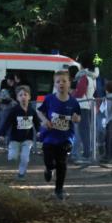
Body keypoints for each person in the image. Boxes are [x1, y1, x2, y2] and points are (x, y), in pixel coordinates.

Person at [37, 69, 82, 200]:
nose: (61, 84)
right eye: (58, 82)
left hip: (65, 137)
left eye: (64, 81)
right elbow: (40, 112)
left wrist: (76, 118)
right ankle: (49, 169)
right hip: (50, 136)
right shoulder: (49, 99)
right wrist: (45, 121)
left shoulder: (73, 102)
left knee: (62, 164)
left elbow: (78, 117)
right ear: (54, 85)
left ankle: (59, 190)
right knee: (49, 160)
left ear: (69, 83)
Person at [0, 85, 40, 178]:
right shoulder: (14, 111)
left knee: (25, 158)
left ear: (29, 97)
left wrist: (38, 131)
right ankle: (11, 152)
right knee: (13, 157)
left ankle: (21, 173)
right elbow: (7, 123)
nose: (23, 97)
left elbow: (37, 122)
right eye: (20, 95)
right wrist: (1, 134)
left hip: (27, 139)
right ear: (17, 98)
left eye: (25, 95)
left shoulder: (32, 111)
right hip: (15, 138)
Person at [72, 61, 99, 163]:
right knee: (87, 131)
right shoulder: (93, 78)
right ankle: (88, 153)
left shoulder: (84, 77)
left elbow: (80, 92)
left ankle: (86, 154)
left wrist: (73, 95)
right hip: (89, 105)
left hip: (82, 106)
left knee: (83, 131)